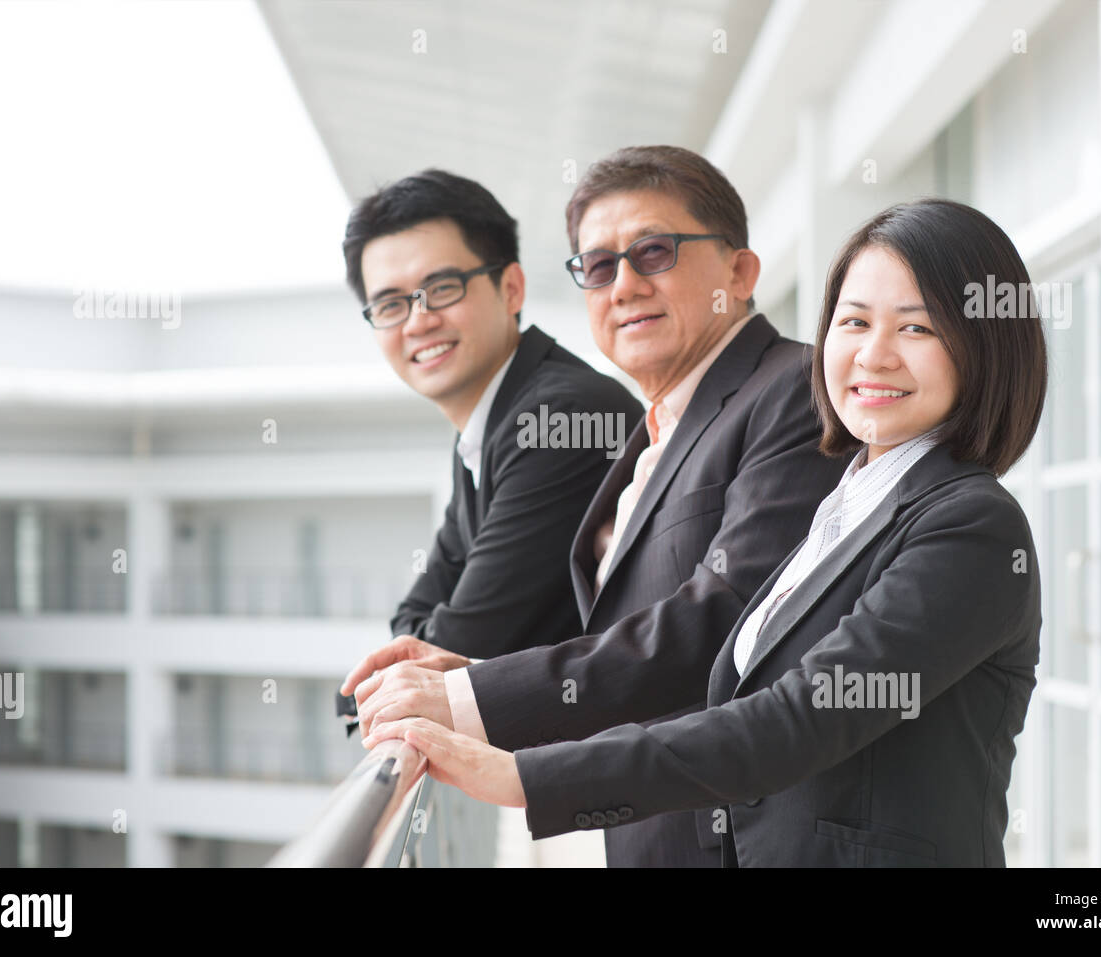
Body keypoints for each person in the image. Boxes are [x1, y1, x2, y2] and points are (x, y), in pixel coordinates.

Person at [365, 198, 1049, 867]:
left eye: (917, 328)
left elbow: (794, 720)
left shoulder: (973, 527)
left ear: (982, 344)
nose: (875, 355)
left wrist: (521, 776)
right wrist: (486, 679)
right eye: (854, 321)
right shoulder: (846, 506)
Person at [343, 146, 849, 866]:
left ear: (739, 272)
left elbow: (726, 618)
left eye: (654, 252)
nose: (625, 285)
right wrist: (462, 666)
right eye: (599, 267)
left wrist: (464, 694)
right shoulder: (653, 430)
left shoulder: (794, 391)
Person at [344, 169, 642, 659]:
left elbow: (464, 642)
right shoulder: (482, 430)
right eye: (391, 304)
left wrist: (407, 656)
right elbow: (411, 621)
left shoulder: (558, 419)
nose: (419, 321)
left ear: (511, 289)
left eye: (442, 288)